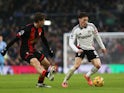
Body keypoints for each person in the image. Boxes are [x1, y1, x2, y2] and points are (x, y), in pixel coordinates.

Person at [0, 12, 56, 88]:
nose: (44, 22)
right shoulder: (27, 29)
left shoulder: (41, 29)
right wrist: (6, 49)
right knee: (36, 63)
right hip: (25, 51)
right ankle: (47, 74)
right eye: (43, 21)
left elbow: (44, 39)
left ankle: (40, 83)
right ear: (39, 21)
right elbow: (15, 39)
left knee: (46, 64)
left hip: (33, 50)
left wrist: (49, 50)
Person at [62, 12, 107, 88]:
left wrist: (102, 47)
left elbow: (97, 36)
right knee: (76, 66)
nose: (86, 22)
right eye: (84, 20)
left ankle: (87, 76)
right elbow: (70, 42)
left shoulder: (91, 26)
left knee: (98, 65)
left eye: (87, 20)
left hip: (90, 48)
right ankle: (65, 81)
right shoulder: (75, 29)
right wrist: (76, 50)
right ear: (79, 20)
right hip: (81, 49)